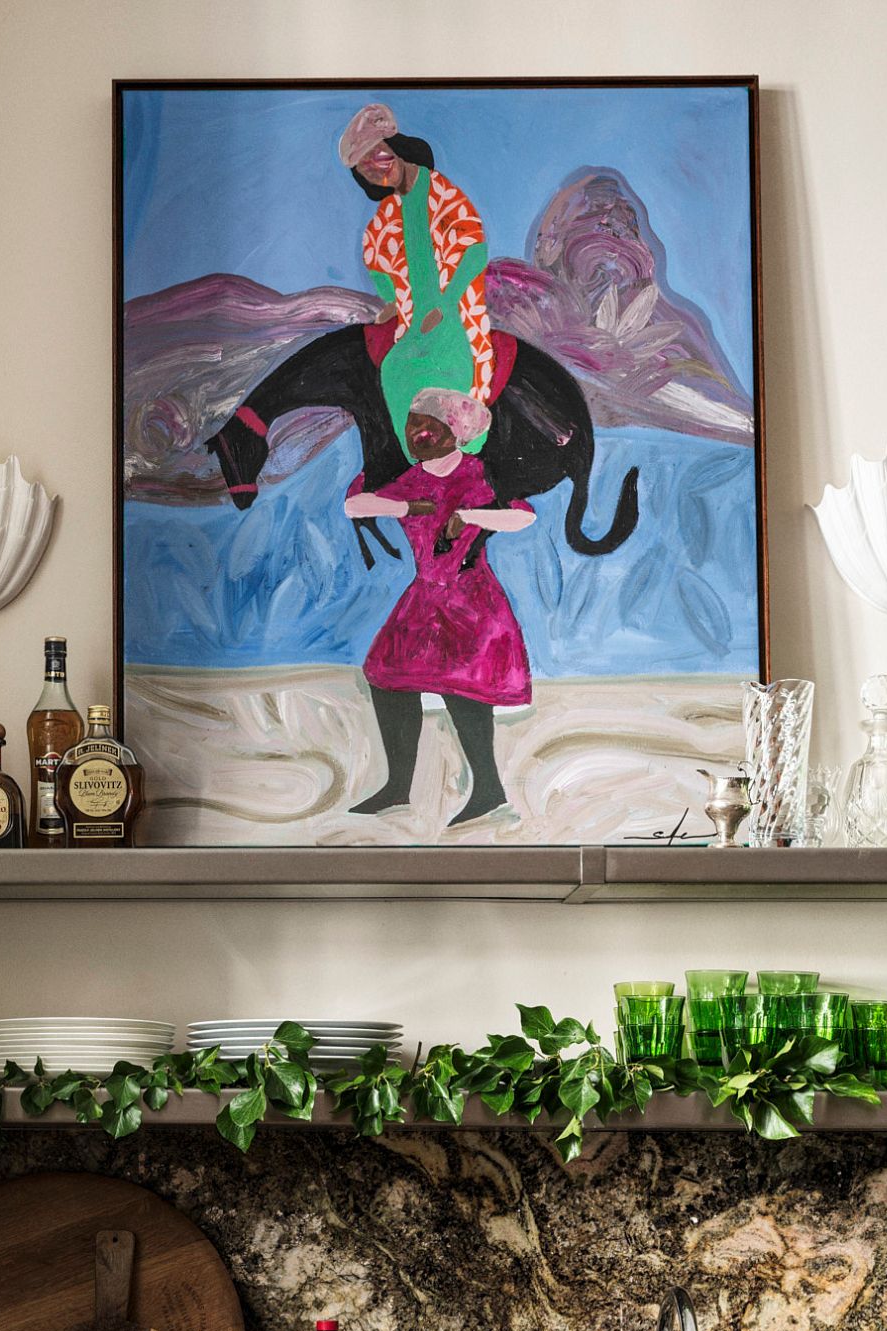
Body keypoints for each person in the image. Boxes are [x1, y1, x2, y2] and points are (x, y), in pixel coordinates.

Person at [345, 387, 534, 829]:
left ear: (457, 434)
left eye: (430, 426)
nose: (418, 434)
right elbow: (355, 505)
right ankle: (397, 787)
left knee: (460, 688)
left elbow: (523, 515)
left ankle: (488, 789)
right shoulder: (413, 478)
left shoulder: (479, 473)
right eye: (413, 424)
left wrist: (468, 516)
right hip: (426, 595)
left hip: (471, 598)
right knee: (386, 677)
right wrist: (408, 504)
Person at [338, 102, 493, 459]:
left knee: (446, 381)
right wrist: (390, 300)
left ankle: (461, 458)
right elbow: (375, 258)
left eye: (380, 158)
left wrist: (446, 301)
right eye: (366, 170)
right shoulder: (386, 214)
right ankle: (414, 464)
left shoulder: (443, 194)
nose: (378, 172)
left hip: (453, 315)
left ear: (397, 150)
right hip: (412, 321)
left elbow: (475, 252)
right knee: (394, 368)